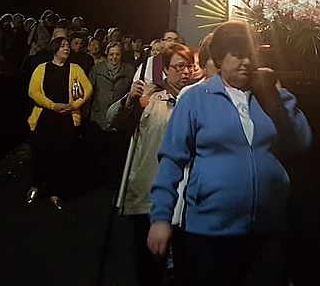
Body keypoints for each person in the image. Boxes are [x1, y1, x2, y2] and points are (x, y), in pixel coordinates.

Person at [147, 21, 312, 286]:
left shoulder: (265, 96)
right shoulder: (196, 98)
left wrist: (279, 92)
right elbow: (171, 160)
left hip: (267, 229)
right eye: (237, 54)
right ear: (220, 57)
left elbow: (301, 141)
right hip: (210, 232)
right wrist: (161, 218)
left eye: (250, 54)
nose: (246, 61)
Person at [107, 42, 195, 286]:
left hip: (185, 196)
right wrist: (129, 101)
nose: (185, 72)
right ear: (166, 69)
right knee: (149, 266)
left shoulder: (197, 100)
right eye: (179, 67)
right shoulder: (150, 98)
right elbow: (113, 121)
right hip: (149, 191)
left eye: (189, 66)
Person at [26, 36, 92, 210]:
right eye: (63, 46)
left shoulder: (75, 69)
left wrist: (73, 105)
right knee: (40, 152)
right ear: (55, 48)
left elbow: (88, 89)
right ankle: (36, 185)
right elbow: (33, 91)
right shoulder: (42, 68)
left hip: (67, 118)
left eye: (68, 46)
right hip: (45, 117)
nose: (67, 49)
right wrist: (53, 105)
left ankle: (55, 193)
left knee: (62, 155)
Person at [88, 41, 135, 184]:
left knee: (115, 151)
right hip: (99, 115)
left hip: (118, 117)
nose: (114, 57)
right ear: (107, 54)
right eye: (111, 54)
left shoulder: (128, 70)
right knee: (97, 149)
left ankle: (112, 180)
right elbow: (90, 91)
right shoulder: (97, 69)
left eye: (117, 54)